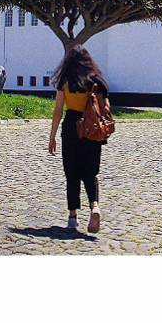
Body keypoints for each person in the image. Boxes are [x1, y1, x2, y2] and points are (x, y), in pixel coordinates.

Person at [48, 45, 108, 233]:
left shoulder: (65, 81)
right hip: (91, 127)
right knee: (90, 173)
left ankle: (73, 217)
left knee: (72, 173)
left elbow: (58, 111)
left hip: (72, 126)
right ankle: (95, 207)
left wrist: (52, 137)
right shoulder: (95, 81)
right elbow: (102, 108)